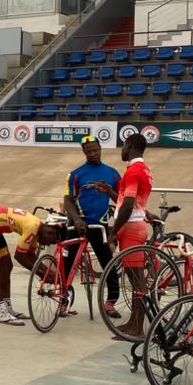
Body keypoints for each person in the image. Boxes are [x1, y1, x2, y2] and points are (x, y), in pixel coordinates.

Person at [64, 136, 121, 317]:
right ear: (84, 152)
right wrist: (76, 219)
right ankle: (62, 300)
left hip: (100, 225)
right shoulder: (76, 174)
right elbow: (68, 200)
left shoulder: (112, 173)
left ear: (100, 148)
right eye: (89, 151)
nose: (93, 154)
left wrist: (109, 191)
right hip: (78, 223)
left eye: (95, 150)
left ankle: (110, 302)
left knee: (108, 262)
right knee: (67, 264)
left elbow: (120, 198)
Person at [0, 206, 61, 325]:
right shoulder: (32, 227)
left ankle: (8, 308)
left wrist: (48, 272)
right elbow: (19, 256)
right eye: (51, 241)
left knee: (7, 266)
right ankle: (2, 313)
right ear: (49, 232)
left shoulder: (37, 231)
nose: (48, 244)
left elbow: (30, 256)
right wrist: (42, 273)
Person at [109, 132, 155, 338]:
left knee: (137, 282)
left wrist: (113, 231)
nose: (122, 150)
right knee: (136, 281)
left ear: (129, 145)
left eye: (123, 146)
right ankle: (133, 322)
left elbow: (127, 206)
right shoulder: (143, 169)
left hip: (131, 228)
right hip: (136, 226)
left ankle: (137, 327)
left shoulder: (134, 171)